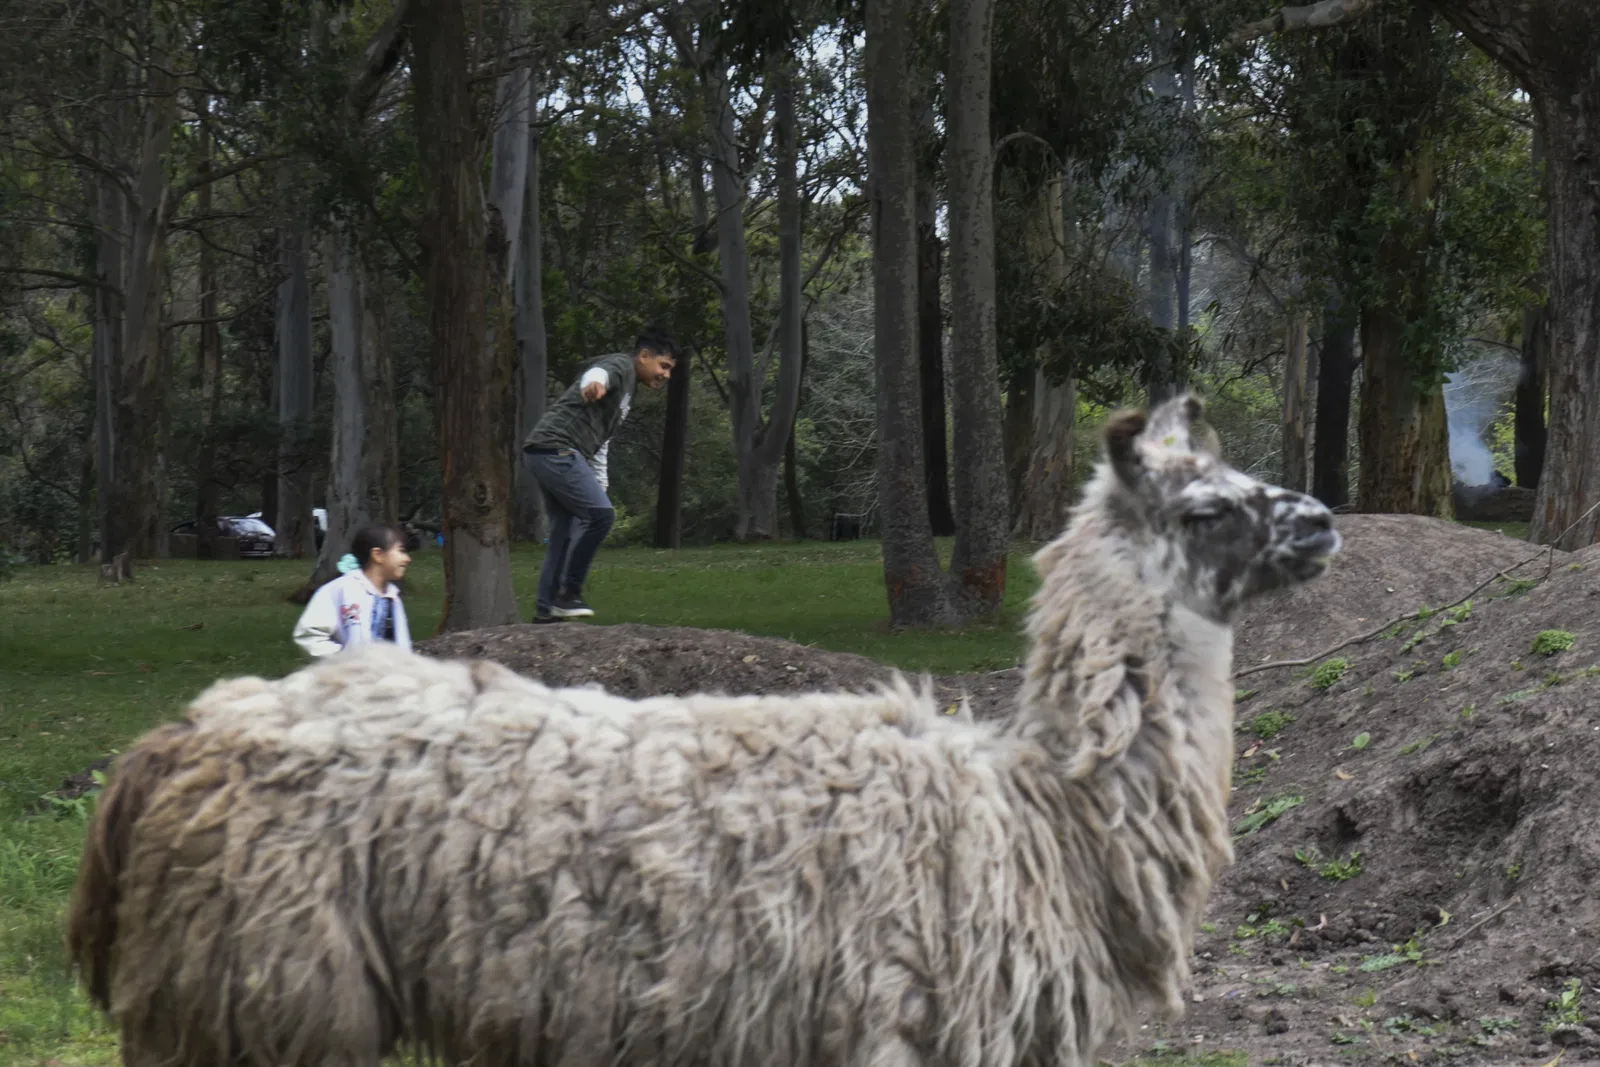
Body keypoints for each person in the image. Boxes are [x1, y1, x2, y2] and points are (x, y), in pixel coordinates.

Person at [522, 327, 678, 622]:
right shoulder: (621, 365)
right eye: (664, 366)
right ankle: (569, 594)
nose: (666, 375)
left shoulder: (627, 394)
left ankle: (547, 612)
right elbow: (599, 372)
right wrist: (594, 383)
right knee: (601, 516)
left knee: (563, 533)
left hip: (545, 452)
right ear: (644, 356)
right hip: (557, 450)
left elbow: (602, 441)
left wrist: (600, 484)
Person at [292, 523, 413, 657]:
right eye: (401, 551)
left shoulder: (392, 596)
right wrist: (344, 660)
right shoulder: (342, 590)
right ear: (378, 555)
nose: (407, 559)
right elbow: (309, 635)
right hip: (351, 675)